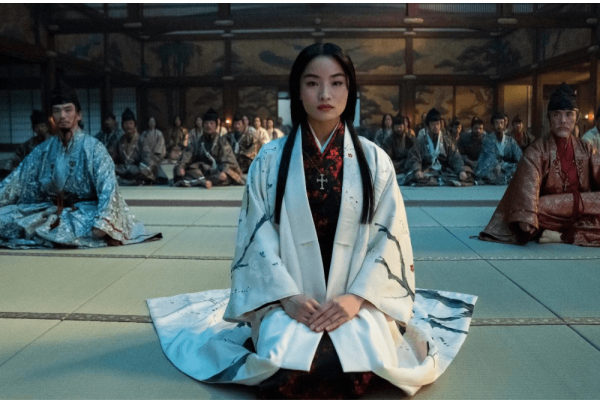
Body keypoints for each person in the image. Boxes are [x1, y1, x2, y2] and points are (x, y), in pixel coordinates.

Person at [148, 42, 476, 399]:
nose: (324, 93)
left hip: (356, 299)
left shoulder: (374, 160)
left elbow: (389, 239)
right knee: (285, 369)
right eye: (312, 83)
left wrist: (357, 298)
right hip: (287, 298)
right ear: (297, 92)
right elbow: (255, 241)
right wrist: (287, 297)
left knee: (356, 369)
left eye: (336, 83)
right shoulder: (269, 161)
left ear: (350, 92)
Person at [0, 80, 160, 249]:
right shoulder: (43, 151)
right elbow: (16, 181)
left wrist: (104, 221)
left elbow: (109, 188)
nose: (63, 116)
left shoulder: (94, 149)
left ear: (79, 114)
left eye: (68, 110)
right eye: (57, 111)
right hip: (49, 210)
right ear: (52, 116)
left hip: (84, 211)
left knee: (69, 228)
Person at [480, 83, 600, 246]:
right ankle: (573, 234)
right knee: (530, 211)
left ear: (576, 118)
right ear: (549, 118)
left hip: (583, 213)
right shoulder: (537, 150)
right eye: (557, 114)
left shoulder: (587, 149)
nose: (563, 120)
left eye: (569, 114)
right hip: (548, 213)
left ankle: (559, 236)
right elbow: (527, 189)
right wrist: (526, 218)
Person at [173, 108, 244, 188]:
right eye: (206, 123)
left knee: (224, 177)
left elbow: (229, 160)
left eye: (211, 123)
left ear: (216, 125)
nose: (208, 126)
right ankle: (203, 181)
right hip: (200, 171)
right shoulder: (196, 142)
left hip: (216, 172)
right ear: (203, 125)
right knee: (185, 172)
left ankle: (200, 181)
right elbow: (186, 155)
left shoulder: (222, 142)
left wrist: (224, 171)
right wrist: (181, 166)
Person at [404, 108, 471, 186]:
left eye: (437, 124)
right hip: (426, 170)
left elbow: (455, 156)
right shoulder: (421, 141)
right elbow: (415, 157)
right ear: (428, 126)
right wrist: (417, 170)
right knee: (413, 176)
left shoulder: (446, 140)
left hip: (444, 170)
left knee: (468, 172)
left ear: (440, 125)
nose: (435, 127)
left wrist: (460, 170)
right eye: (433, 124)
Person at [0, 110, 52, 180]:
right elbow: (17, 158)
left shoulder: (55, 142)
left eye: (42, 126)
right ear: (33, 129)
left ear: (47, 127)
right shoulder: (29, 144)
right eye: (37, 126)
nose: (40, 129)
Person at [474, 112, 522, 185]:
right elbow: (489, 157)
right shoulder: (487, 139)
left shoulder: (510, 141)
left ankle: (491, 180)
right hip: (491, 167)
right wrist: (497, 165)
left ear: (505, 124)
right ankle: (504, 179)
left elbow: (519, 156)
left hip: (506, 167)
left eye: (501, 123)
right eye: (496, 123)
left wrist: (514, 165)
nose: (499, 125)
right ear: (493, 125)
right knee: (487, 169)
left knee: (519, 169)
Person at [382, 115, 415, 186]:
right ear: (393, 128)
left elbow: (414, 156)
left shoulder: (410, 140)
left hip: (406, 167)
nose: (399, 129)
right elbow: (386, 158)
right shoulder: (388, 140)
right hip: (394, 167)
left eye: (401, 126)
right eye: (397, 127)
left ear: (404, 126)